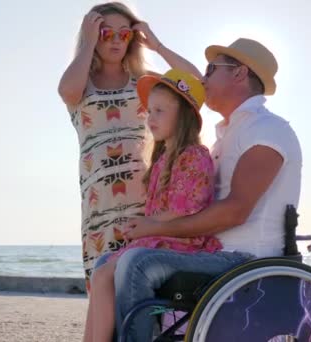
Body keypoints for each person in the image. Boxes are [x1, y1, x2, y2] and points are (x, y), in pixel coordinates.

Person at [109, 38, 303, 340]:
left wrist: (155, 228)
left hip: (247, 259)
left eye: (211, 69)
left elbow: (235, 211)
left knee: (138, 262)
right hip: (213, 252)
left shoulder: (266, 129)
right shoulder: (228, 135)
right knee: (113, 261)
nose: (203, 77)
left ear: (239, 73)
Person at [57, 1, 201, 291]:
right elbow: (67, 90)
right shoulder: (82, 83)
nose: (115, 40)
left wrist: (157, 45)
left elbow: (195, 83)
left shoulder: (144, 82)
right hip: (101, 203)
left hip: (147, 198)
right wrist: (87, 41)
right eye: (105, 32)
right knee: (103, 289)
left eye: (124, 34)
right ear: (93, 35)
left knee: (142, 289)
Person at [84, 70, 220, 342]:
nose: (150, 118)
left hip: (182, 241)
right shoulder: (162, 160)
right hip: (162, 237)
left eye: (159, 111)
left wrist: (147, 227)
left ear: (183, 116)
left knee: (103, 275)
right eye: (149, 111)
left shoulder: (193, 156)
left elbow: (186, 209)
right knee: (101, 269)